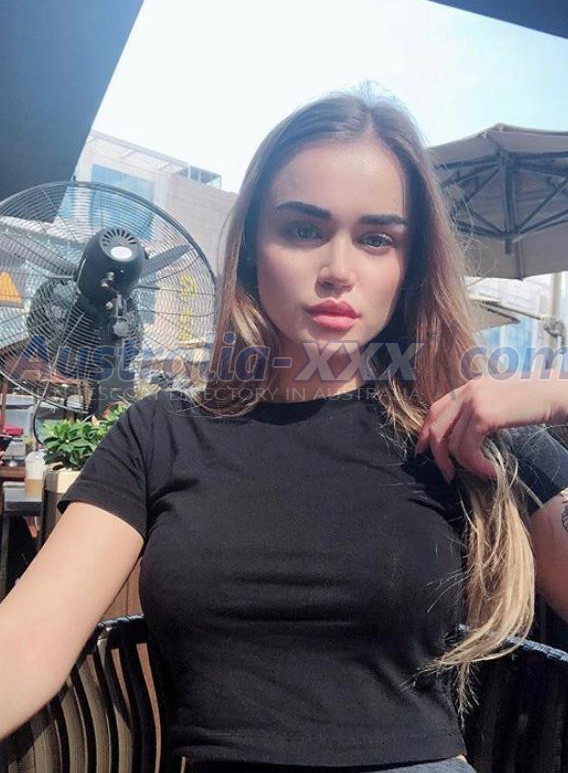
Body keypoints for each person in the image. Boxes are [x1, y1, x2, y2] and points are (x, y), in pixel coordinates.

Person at [1, 85, 568, 773]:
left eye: (377, 239)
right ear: (250, 251)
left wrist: (560, 400)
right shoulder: (161, 435)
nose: (338, 271)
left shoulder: (463, 431)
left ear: (410, 265)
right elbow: (26, 643)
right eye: (303, 230)